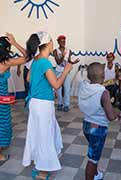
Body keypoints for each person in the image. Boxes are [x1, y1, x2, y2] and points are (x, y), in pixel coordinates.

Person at [22, 31, 72, 179]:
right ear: (46, 44)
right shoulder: (44, 62)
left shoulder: (36, 60)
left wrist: (40, 84)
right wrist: (66, 71)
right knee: (44, 135)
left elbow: (29, 78)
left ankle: (40, 160)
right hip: (43, 104)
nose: (53, 44)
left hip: (35, 103)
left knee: (41, 132)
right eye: (51, 41)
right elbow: (56, 85)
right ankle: (43, 171)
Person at [78, 62, 121, 180]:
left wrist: (113, 110)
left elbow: (97, 106)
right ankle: (91, 176)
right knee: (93, 159)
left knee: (93, 151)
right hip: (98, 129)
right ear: (103, 76)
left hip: (86, 125)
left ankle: (96, 174)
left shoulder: (84, 86)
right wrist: (116, 113)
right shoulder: (104, 92)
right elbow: (110, 117)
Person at [0, 33, 27, 165]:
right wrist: (15, 42)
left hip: (2, 99)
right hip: (1, 101)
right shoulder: (6, 62)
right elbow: (27, 57)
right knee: (2, 124)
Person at [53, 35, 79, 112]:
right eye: (61, 41)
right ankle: (60, 103)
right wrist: (62, 56)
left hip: (66, 72)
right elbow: (58, 62)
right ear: (58, 42)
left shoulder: (68, 51)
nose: (63, 42)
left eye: (64, 41)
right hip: (58, 71)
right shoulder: (55, 51)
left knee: (67, 88)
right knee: (59, 89)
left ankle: (66, 105)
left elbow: (69, 61)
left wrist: (74, 62)